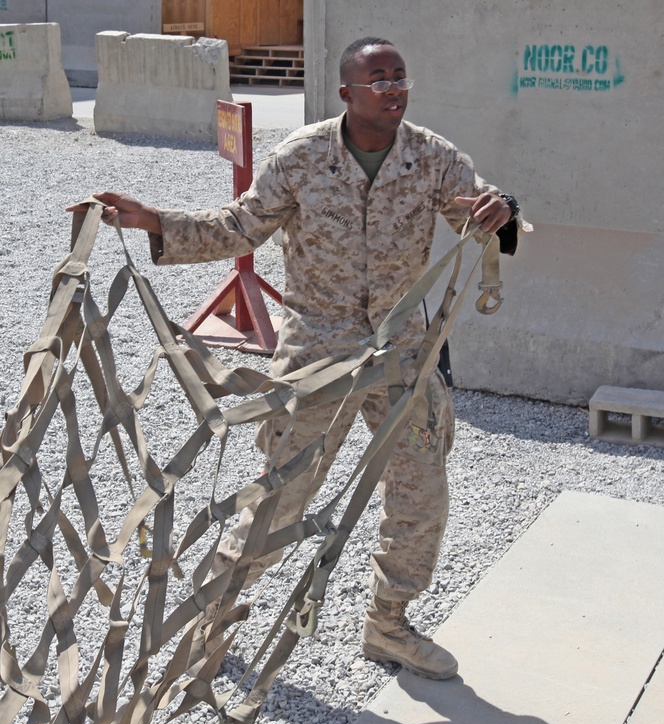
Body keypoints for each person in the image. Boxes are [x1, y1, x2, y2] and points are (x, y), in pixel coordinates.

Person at [72, 36, 524, 680]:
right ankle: (213, 618)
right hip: (318, 349)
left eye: (400, 77)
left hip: (403, 353)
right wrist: (155, 222)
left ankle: (389, 623)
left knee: (421, 490)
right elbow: (239, 227)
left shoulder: (432, 157)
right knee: (284, 491)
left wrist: (502, 209)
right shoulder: (303, 157)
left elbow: (479, 215)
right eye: (379, 79)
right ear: (346, 92)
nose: (394, 88)